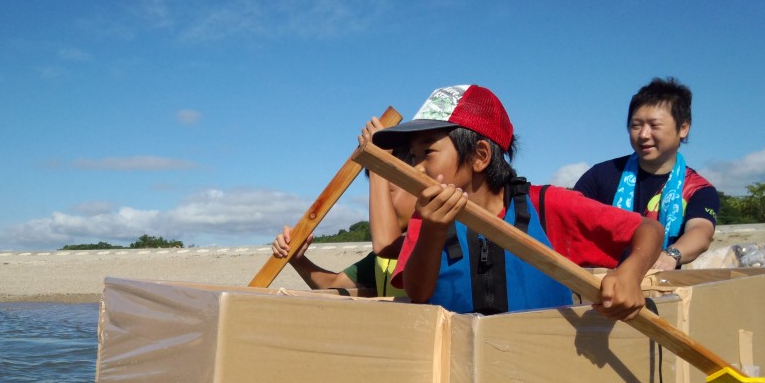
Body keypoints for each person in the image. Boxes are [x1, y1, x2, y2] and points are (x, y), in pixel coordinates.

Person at [371, 84, 663, 321]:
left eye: (428, 153)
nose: (416, 168)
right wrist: (434, 232)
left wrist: (630, 273)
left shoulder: (546, 206)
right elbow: (418, 292)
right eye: (414, 157)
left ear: (479, 156)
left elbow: (648, 229)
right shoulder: (427, 217)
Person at [573, 77, 718, 270]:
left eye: (654, 125)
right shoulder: (600, 175)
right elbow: (570, 222)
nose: (643, 134)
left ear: (683, 128)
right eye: (636, 125)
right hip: (598, 284)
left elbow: (701, 232)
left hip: (659, 288)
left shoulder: (698, 189)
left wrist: (670, 256)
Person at [271, 117, 414, 297]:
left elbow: (386, 243)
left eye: (388, 191)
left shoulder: (433, 240)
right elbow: (333, 284)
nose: (380, 205)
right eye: (377, 194)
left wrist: (377, 161)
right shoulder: (380, 260)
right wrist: (296, 259)